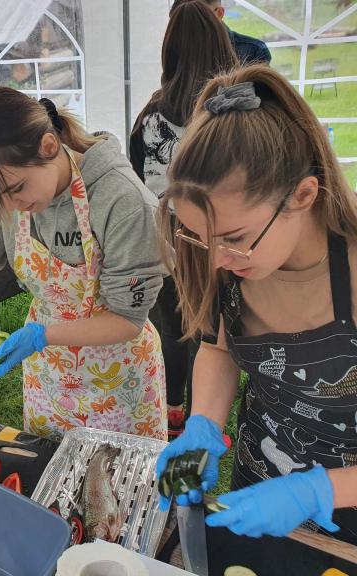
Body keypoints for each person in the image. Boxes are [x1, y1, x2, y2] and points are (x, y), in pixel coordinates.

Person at [156, 64, 357, 543]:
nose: (218, 259)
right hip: (262, 474)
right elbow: (220, 349)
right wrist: (202, 424)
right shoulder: (224, 257)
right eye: (204, 240)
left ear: (303, 195)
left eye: (234, 239)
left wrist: (316, 491)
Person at [0, 87, 166, 439]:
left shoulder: (123, 201)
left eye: (17, 189)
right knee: (50, 473)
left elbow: (126, 319)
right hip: (49, 372)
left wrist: (40, 337)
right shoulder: (4, 186)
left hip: (117, 372)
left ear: (48, 147)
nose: (12, 205)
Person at [130, 0, 238, 437]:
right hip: (223, 241)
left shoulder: (151, 115)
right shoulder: (235, 111)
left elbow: (138, 185)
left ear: (170, 48)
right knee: (211, 336)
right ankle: (199, 417)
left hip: (167, 240)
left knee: (170, 329)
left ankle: (172, 410)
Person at [171, 0, 271, 64]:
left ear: (219, 13)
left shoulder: (253, 51)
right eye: (176, 23)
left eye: (196, 20)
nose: (184, 31)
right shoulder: (175, 49)